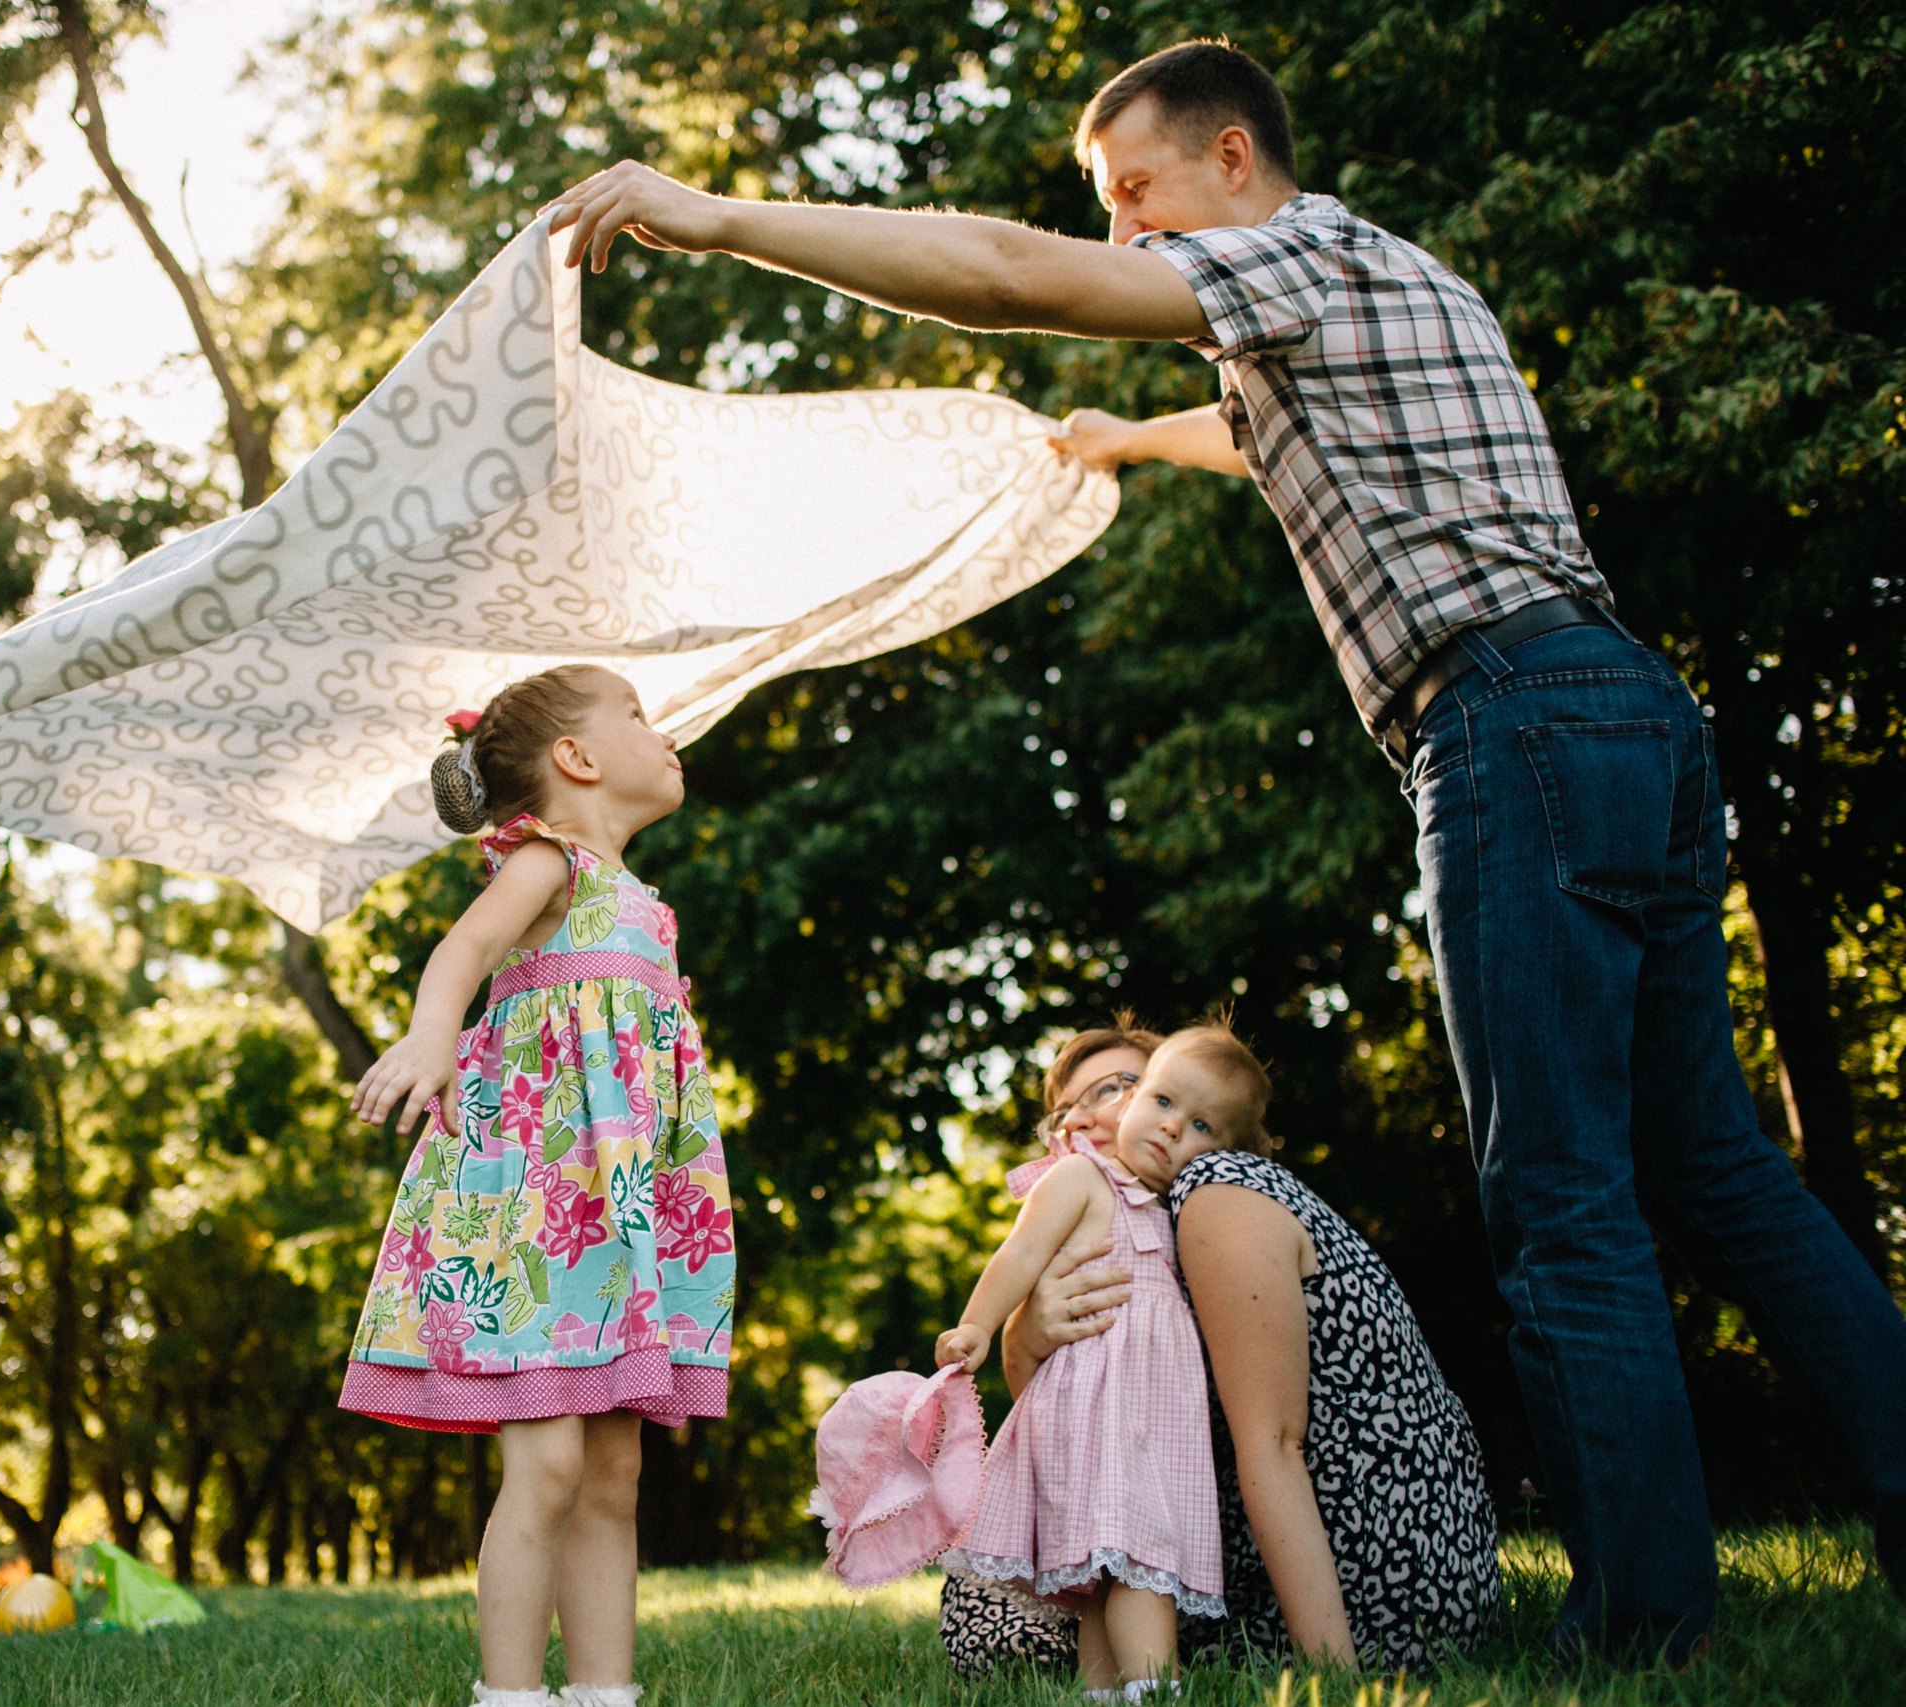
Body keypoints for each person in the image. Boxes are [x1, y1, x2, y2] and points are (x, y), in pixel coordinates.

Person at [545, 38, 1906, 1666]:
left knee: (1562, 1196)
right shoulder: (1388, 284)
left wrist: (708, 217)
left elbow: (999, 274)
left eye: (1137, 195)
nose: (1124, 236)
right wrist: (1136, 436)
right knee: (1719, 1168)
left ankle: (1650, 1628)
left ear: (1236, 161)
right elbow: (1275, 429)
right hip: (1628, 716)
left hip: (1509, 728)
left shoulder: (1281, 256)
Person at [341, 666, 736, 1707]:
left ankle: (605, 1694)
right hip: (535, 1208)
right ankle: (511, 1697)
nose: (665, 733)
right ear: (577, 758)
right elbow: (463, 948)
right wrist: (432, 1039)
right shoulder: (545, 862)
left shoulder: (641, 902)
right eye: (639, 716)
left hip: (616, 1222)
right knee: (550, 1468)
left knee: (615, 1473)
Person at [944, 1025, 1502, 1678]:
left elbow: (1275, 1441)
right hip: (1157, 1498)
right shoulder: (1095, 1210)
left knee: (1098, 1589)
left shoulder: (1215, 1192)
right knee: (987, 1605)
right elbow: (1059, 1425)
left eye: (1126, 1086)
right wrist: (1017, 1328)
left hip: (1355, 1545)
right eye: (1070, 1107)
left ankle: (1148, 1676)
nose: (1100, 1112)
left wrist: (1338, 1680)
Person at [934, 1025, 1261, 1700]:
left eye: (1199, 1123)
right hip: (1100, 1418)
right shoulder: (1085, 1178)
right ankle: (1155, 1688)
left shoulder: (1184, 1209)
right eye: (1159, 1102)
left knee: (1105, 1579)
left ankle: (1104, 1691)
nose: (1172, 1129)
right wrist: (977, 1323)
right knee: (1138, 1561)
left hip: (1153, 1424)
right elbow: (1019, 1254)